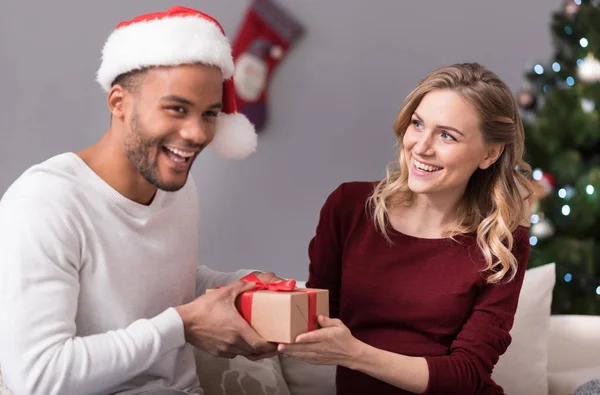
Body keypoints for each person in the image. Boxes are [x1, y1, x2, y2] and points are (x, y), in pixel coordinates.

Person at [0, 6, 283, 395]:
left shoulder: (177, 188)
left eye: (210, 114)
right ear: (119, 103)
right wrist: (181, 325)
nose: (197, 133)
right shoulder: (44, 203)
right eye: (177, 109)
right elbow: (38, 378)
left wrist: (238, 286)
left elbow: (155, 283)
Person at [278, 63, 533, 395]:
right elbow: (320, 320)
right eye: (417, 124)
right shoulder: (349, 207)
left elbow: (466, 375)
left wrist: (356, 354)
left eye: (446, 135)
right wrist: (263, 301)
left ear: (489, 154)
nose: (421, 146)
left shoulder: (502, 242)